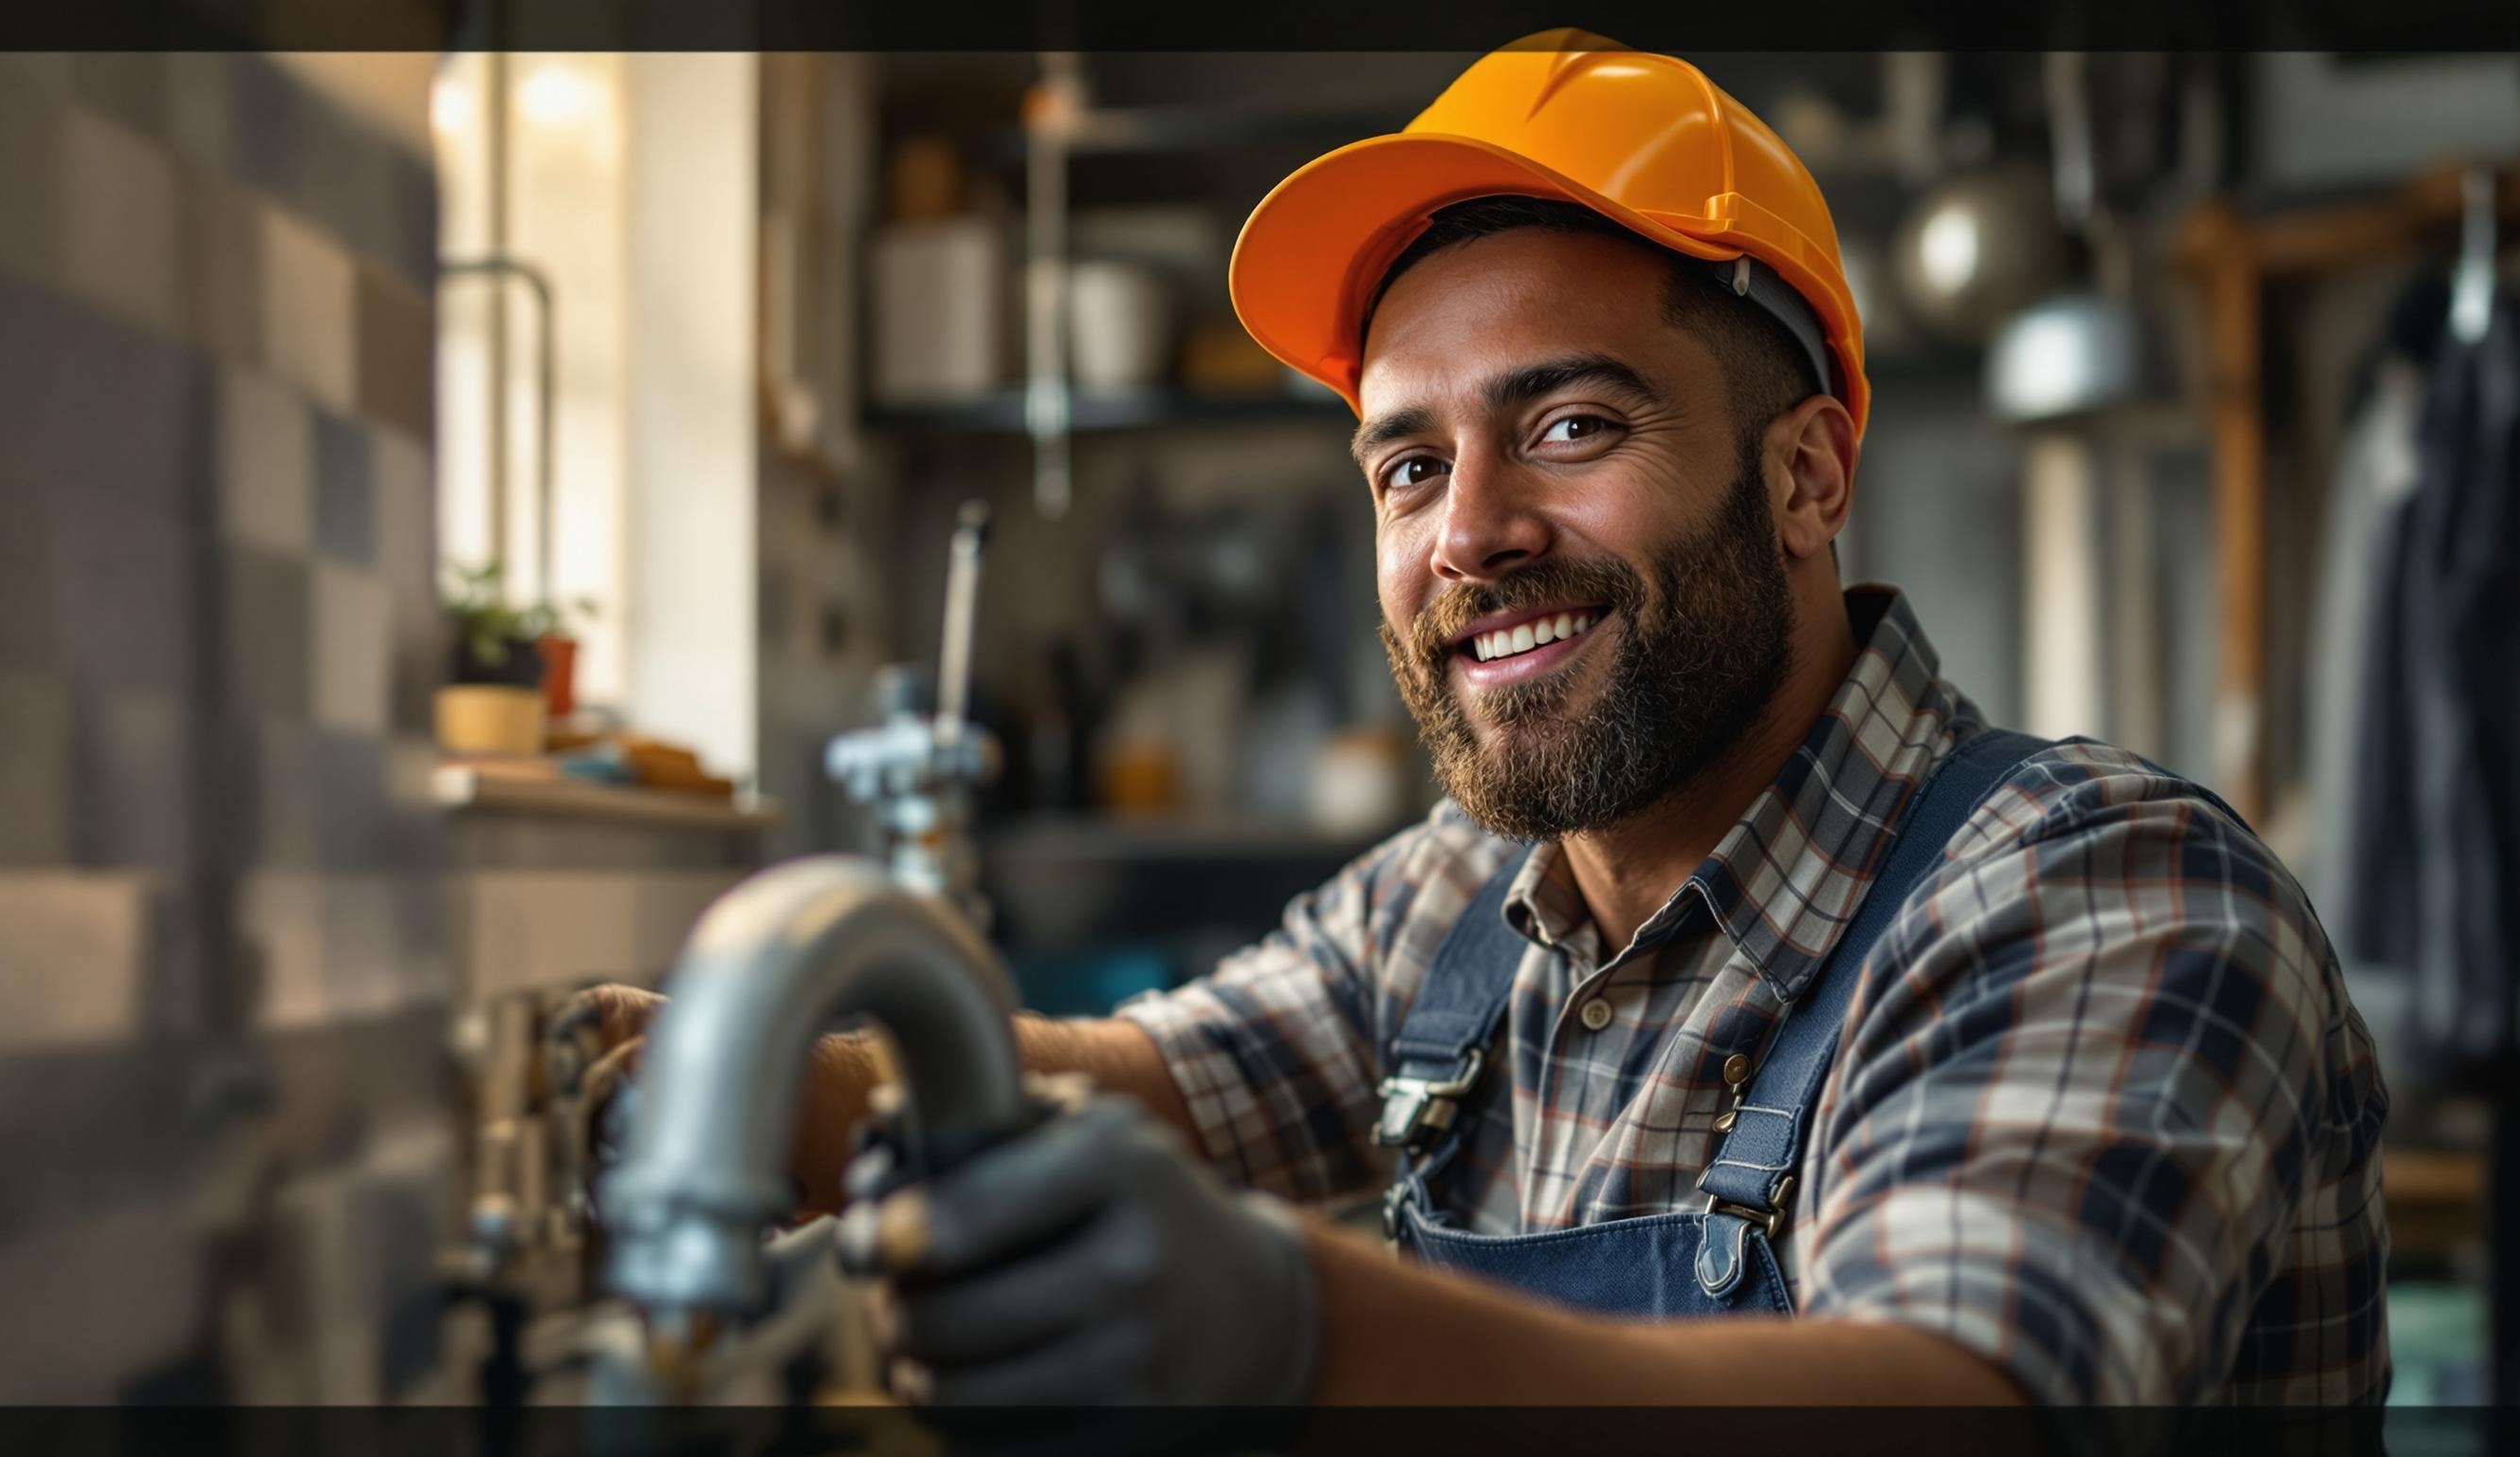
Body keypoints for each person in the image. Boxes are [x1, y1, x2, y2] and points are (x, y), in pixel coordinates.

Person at [568, 32, 2388, 1409]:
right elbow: (1158, 1088)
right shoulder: (1467, 902)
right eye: (1411, 463)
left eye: (1574, 426)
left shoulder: (2100, 895)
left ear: (1809, 474)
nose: (1473, 534)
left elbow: (1953, 1404)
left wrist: (1299, 1330)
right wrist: (741, 1083)